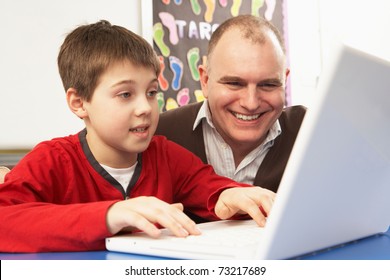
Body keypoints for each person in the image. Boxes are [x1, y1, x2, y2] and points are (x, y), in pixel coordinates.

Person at [0, 20, 275, 253]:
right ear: (79, 102)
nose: (145, 108)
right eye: (125, 95)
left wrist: (230, 195)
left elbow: (210, 187)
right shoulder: (51, 160)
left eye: (151, 93)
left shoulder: (165, 155)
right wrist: (110, 215)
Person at [156, 15, 306, 223]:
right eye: (235, 83)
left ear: (284, 81)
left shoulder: (312, 132)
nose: (251, 102)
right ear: (205, 80)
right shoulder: (157, 135)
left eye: (268, 85)